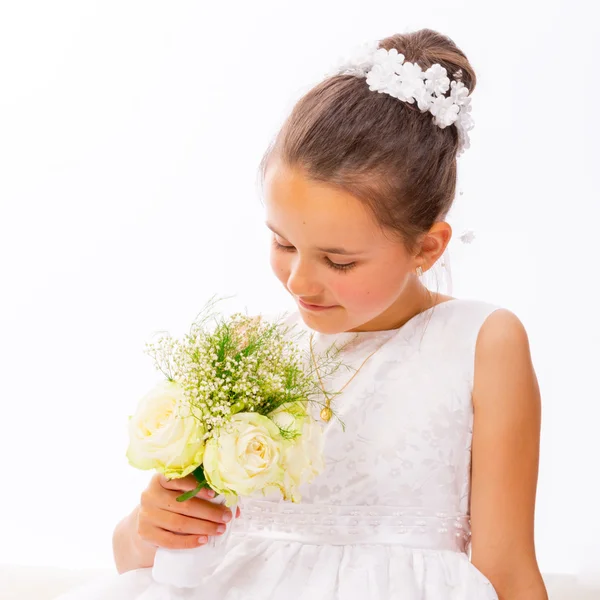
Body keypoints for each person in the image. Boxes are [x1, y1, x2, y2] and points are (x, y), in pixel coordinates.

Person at [58, 28, 548, 599]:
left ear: (427, 248)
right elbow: (143, 559)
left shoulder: (480, 343)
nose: (299, 281)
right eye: (283, 243)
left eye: (339, 261)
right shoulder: (252, 349)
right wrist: (153, 526)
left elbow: (507, 568)